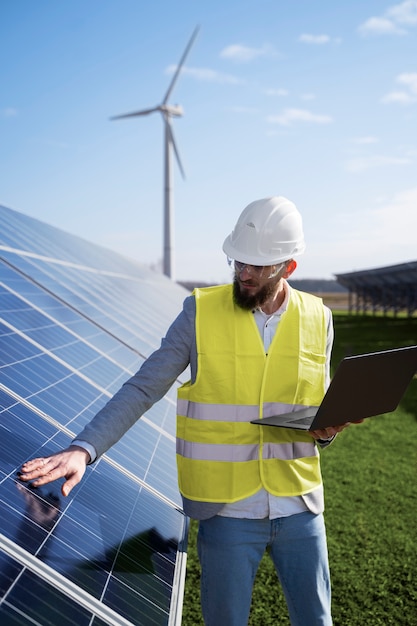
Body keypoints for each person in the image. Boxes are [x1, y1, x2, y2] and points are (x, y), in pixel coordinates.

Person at [19, 196, 355, 626]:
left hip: (301, 505)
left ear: (287, 268)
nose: (244, 274)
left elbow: (318, 413)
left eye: (257, 266)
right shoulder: (199, 311)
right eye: (238, 262)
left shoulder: (319, 318)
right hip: (226, 512)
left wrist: (328, 430)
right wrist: (84, 449)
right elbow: (144, 386)